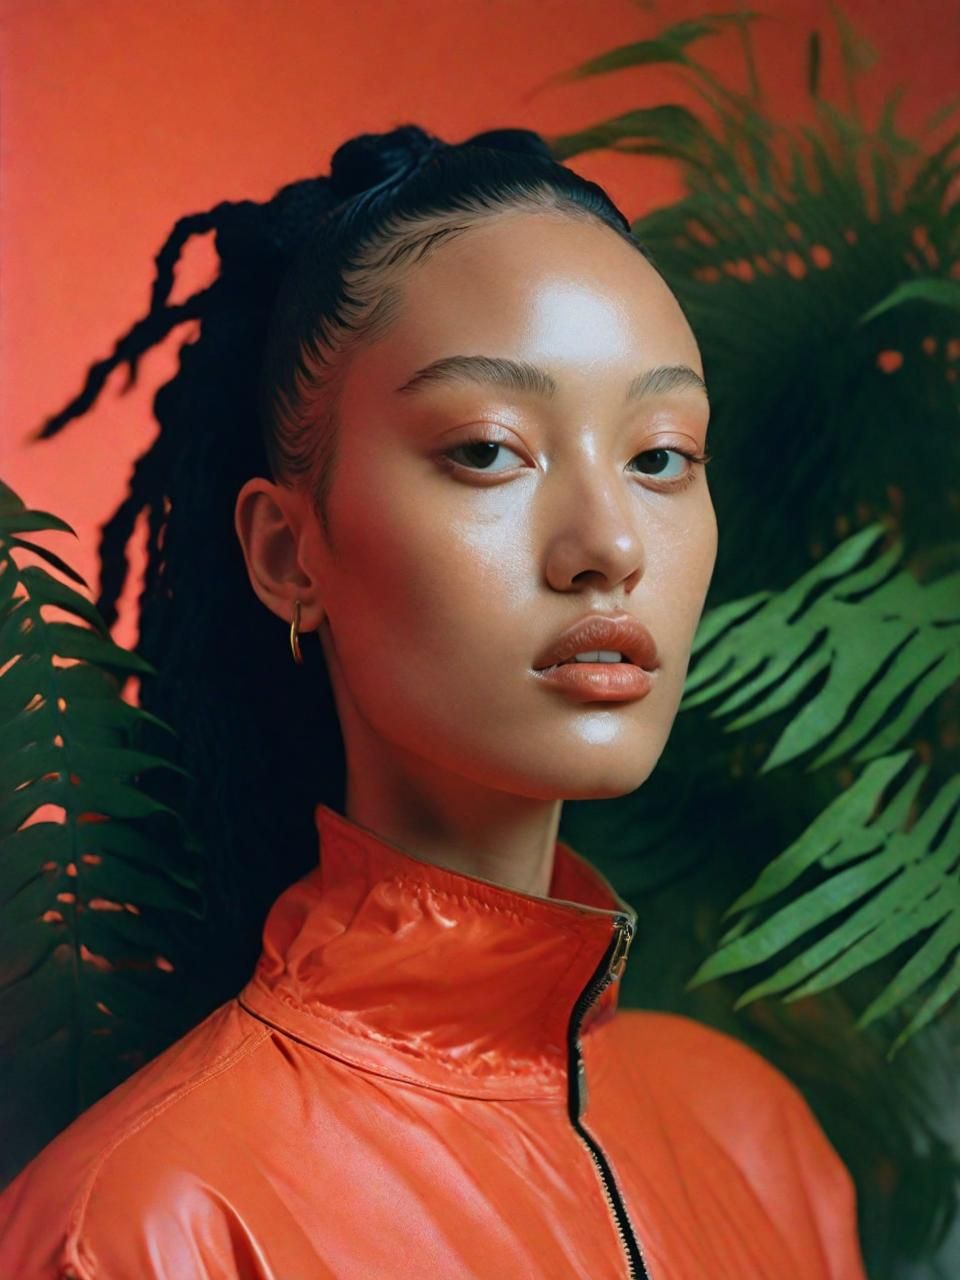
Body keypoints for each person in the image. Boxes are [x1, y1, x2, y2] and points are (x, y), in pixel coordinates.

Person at [0, 123, 867, 1278]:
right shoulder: (148, 1225)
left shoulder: (756, 1137)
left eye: (661, 456)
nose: (609, 544)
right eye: (487, 449)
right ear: (285, 549)